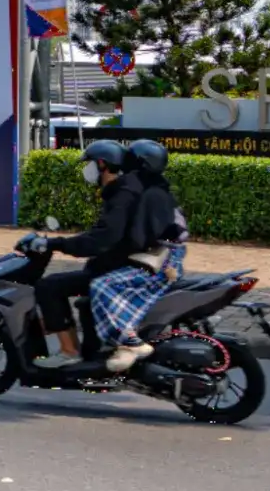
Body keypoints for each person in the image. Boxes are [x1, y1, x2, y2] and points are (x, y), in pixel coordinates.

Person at [28, 139, 178, 370]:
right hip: (131, 262)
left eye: (89, 163)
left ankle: (69, 352)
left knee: (49, 286)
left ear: (102, 165)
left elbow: (104, 239)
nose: (86, 169)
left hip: (118, 266)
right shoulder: (139, 189)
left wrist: (56, 244)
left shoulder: (124, 193)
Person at [86, 139, 187, 372]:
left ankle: (130, 341)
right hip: (165, 258)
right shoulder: (156, 189)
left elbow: (138, 239)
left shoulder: (147, 195)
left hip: (162, 263)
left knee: (102, 286)